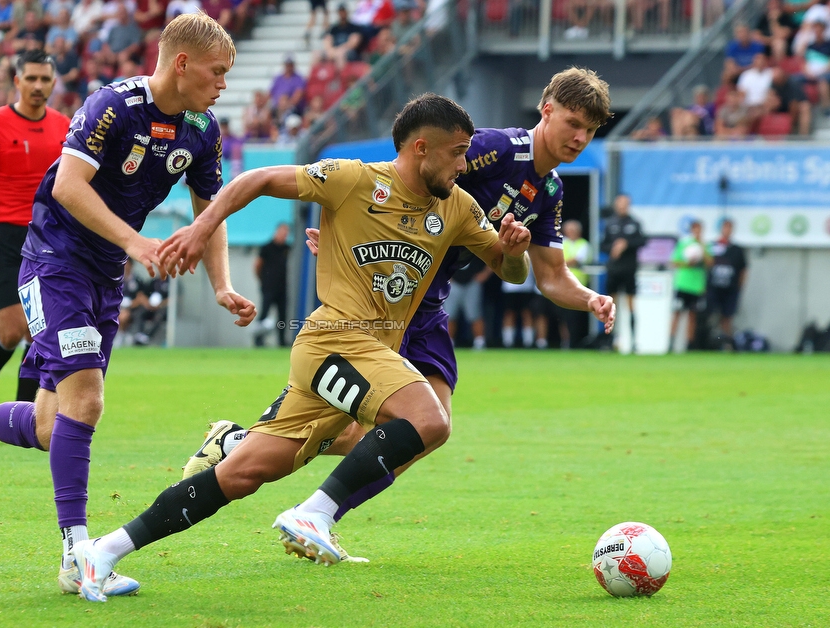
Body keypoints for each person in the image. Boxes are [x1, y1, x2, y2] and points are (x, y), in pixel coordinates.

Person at [70, 92, 537, 600]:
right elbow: (257, 179)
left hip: (364, 356)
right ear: (422, 148)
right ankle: (313, 512)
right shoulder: (353, 179)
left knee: (241, 474)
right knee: (430, 420)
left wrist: (516, 254)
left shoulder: (458, 207)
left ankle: (104, 551)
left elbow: (510, 271)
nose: (463, 165)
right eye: (458, 153)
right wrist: (203, 227)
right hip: (334, 340)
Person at [182, 67, 618, 562]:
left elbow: (550, 275)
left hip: (427, 303)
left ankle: (277, 476)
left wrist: (588, 298)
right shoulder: (490, 149)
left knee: (412, 430)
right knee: (422, 423)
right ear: (547, 110)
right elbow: (405, 169)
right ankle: (308, 504)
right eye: (573, 122)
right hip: (386, 297)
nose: (580, 137)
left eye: (591, 129)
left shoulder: (552, 191)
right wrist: (355, 231)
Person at [0, 13, 256, 598]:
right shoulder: (113, 105)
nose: (223, 85)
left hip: (104, 276)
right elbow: (67, 185)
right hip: (53, 262)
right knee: (85, 403)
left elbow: (209, 213)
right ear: (182, 63)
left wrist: (220, 284)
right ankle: (77, 558)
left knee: (48, 425)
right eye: (217, 73)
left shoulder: (202, 129)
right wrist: (137, 243)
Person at [0, 49, 71, 407]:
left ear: (54, 82)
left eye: (45, 79)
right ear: (17, 81)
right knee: (11, 329)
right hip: (5, 237)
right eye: (31, 79)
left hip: (50, 236)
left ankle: (24, 411)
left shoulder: (66, 127)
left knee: (41, 330)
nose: (38, 86)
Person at [600, 193, 645, 352]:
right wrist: (613, 248)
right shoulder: (610, 223)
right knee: (611, 306)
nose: (622, 206)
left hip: (629, 270)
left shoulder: (634, 223)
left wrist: (626, 244)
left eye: (625, 203)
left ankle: (633, 342)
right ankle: (610, 341)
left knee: (631, 305)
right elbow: (603, 245)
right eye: (620, 203)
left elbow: (642, 241)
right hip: (614, 270)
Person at [669, 219, 712, 352]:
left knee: (692, 316)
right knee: (677, 313)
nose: (697, 232)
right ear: (692, 230)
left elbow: (710, 263)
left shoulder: (705, 246)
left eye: (700, 229)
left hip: (696, 286)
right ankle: (670, 343)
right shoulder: (684, 244)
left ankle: (689, 345)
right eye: (695, 229)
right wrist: (687, 263)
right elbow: (674, 262)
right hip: (683, 284)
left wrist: (702, 249)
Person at [707, 218, 747, 347]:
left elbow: (743, 270)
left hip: (730, 289)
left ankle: (727, 343)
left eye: (730, 228)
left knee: (727, 317)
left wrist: (739, 287)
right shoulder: (713, 246)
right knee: (711, 316)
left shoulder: (737, 249)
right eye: (725, 227)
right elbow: (706, 264)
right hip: (713, 288)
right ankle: (709, 343)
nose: (727, 230)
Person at [254, 222, 290, 347]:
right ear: (277, 232)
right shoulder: (267, 248)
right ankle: (258, 340)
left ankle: (281, 341)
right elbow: (257, 265)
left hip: (282, 288)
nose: (284, 235)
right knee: (264, 314)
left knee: (282, 315)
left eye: (286, 233)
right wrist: (263, 280)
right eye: (282, 232)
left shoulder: (286, 248)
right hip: (269, 287)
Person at [445, 254, 491, 349]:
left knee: (475, 314)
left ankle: (480, 342)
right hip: (453, 283)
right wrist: (446, 276)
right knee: (449, 315)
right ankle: (448, 343)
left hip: (472, 283)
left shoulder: (477, 242)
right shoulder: (452, 244)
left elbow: (493, 256)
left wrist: (485, 274)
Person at [558, 219, 590, 349]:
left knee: (575, 317)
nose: (570, 233)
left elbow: (576, 260)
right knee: (562, 316)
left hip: (578, 286)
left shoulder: (583, 244)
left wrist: (558, 263)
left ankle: (575, 342)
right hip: (561, 284)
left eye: (573, 230)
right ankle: (565, 342)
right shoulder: (562, 242)